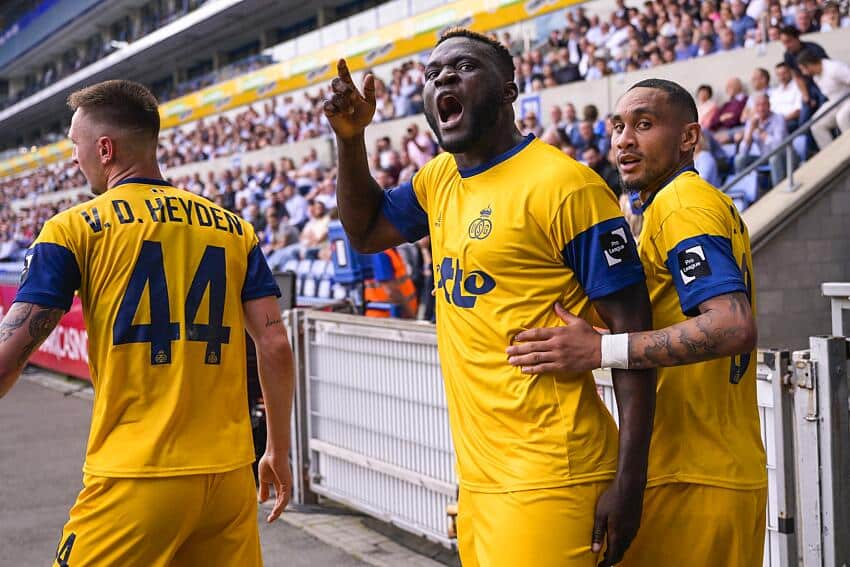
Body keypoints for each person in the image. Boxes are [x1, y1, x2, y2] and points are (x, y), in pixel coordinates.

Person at [323, 28, 656, 567]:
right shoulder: (438, 180)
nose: (443, 78)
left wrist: (630, 484)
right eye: (432, 75)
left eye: (464, 67)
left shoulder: (565, 186)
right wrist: (349, 138)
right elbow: (365, 231)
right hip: (480, 480)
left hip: (554, 474)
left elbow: (634, 338)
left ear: (508, 91)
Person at [0, 80, 294, 565]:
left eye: (76, 145)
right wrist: (277, 451)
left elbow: (9, 358)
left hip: (136, 477)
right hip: (227, 480)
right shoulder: (234, 229)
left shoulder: (73, 229)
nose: (74, 159)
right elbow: (275, 345)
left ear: (105, 149)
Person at [507, 78, 766, 567]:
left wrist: (601, 351)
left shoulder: (682, 204)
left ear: (689, 137)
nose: (624, 139)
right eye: (618, 127)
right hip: (715, 470)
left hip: (694, 479)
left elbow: (731, 326)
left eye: (644, 125)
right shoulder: (694, 203)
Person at [797, 48, 850, 151]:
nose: (803, 73)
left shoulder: (834, 68)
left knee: (842, 117)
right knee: (816, 124)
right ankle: (831, 154)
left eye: (803, 69)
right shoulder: (816, 77)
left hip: (847, 98)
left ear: (809, 65)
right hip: (836, 102)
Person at [735, 93, 789, 187]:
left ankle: (778, 190)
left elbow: (779, 146)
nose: (761, 108)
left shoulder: (778, 119)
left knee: (774, 158)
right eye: (758, 105)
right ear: (754, 108)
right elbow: (743, 151)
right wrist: (751, 130)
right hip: (764, 157)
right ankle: (744, 190)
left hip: (784, 155)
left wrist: (760, 132)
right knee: (739, 159)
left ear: (769, 106)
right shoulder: (752, 121)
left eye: (764, 104)